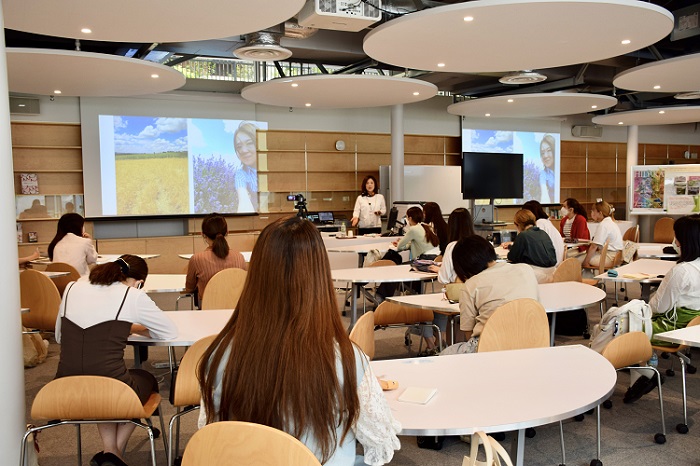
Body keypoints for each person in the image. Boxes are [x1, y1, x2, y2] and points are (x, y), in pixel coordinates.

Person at [197, 217, 401, 465]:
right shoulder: (347, 360)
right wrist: (361, 389)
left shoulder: (219, 355)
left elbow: (210, 434)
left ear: (256, 276)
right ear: (319, 277)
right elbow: (381, 441)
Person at [54, 254, 177, 466]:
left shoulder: (72, 287)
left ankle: (111, 452)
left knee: (106, 389)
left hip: (64, 389)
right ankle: (113, 453)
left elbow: (59, 337)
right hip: (112, 388)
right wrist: (132, 327)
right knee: (142, 380)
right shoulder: (132, 294)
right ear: (139, 282)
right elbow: (168, 332)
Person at [624, 215, 700, 404]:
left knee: (624, 326)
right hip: (690, 326)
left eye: (676, 237)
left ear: (684, 240)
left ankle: (645, 375)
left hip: (671, 328)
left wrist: (646, 302)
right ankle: (641, 366)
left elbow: (658, 307)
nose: (674, 242)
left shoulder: (682, 271)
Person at [443, 235, 539, 354]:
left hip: (492, 347)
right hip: (533, 341)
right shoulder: (526, 270)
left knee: (444, 355)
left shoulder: (471, 285)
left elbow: (468, 332)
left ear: (464, 265)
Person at [185, 213, 247, 305]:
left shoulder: (196, 259)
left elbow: (189, 289)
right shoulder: (239, 257)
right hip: (235, 309)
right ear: (227, 232)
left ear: (203, 235)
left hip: (208, 309)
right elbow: (245, 285)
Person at [502, 209, 557, 283]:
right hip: (553, 272)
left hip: (537, 274)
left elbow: (512, 257)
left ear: (517, 224)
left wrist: (512, 249)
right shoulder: (543, 233)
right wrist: (511, 247)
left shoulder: (523, 235)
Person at [430, 207, 476, 284]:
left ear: (451, 226)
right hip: (478, 288)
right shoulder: (479, 243)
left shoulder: (452, 247)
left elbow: (444, 279)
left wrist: (439, 270)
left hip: (460, 289)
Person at [48, 213, 98, 277]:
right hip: (79, 279)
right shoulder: (85, 242)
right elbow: (92, 260)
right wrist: (90, 242)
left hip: (58, 280)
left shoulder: (56, 243)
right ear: (78, 227)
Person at [582, 200, 623, 269]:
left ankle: (588, 276)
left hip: (609, 258)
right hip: (616, 256)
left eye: (593, 211)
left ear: (600, 213)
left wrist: (585, 262)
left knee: (578, 259)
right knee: (586, 256)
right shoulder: (611, 223)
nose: (591, 213)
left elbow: (594, 246)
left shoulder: (604, 225)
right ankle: (589, 275)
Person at [523, 200, 564, 265]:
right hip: (556, 261)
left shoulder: (540, 223)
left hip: (551, 263)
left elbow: (534, 245)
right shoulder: (546, 222)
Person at [233, 121, 259, 213]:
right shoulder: (241, 174)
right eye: (239, 146)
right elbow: (243, 199)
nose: (244, 150)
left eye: (249, 143)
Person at [539, 134, 556, 203]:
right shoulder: (543, 174)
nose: (545, 156)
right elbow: (544, 194)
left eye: (549, 150)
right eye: (542, 153)